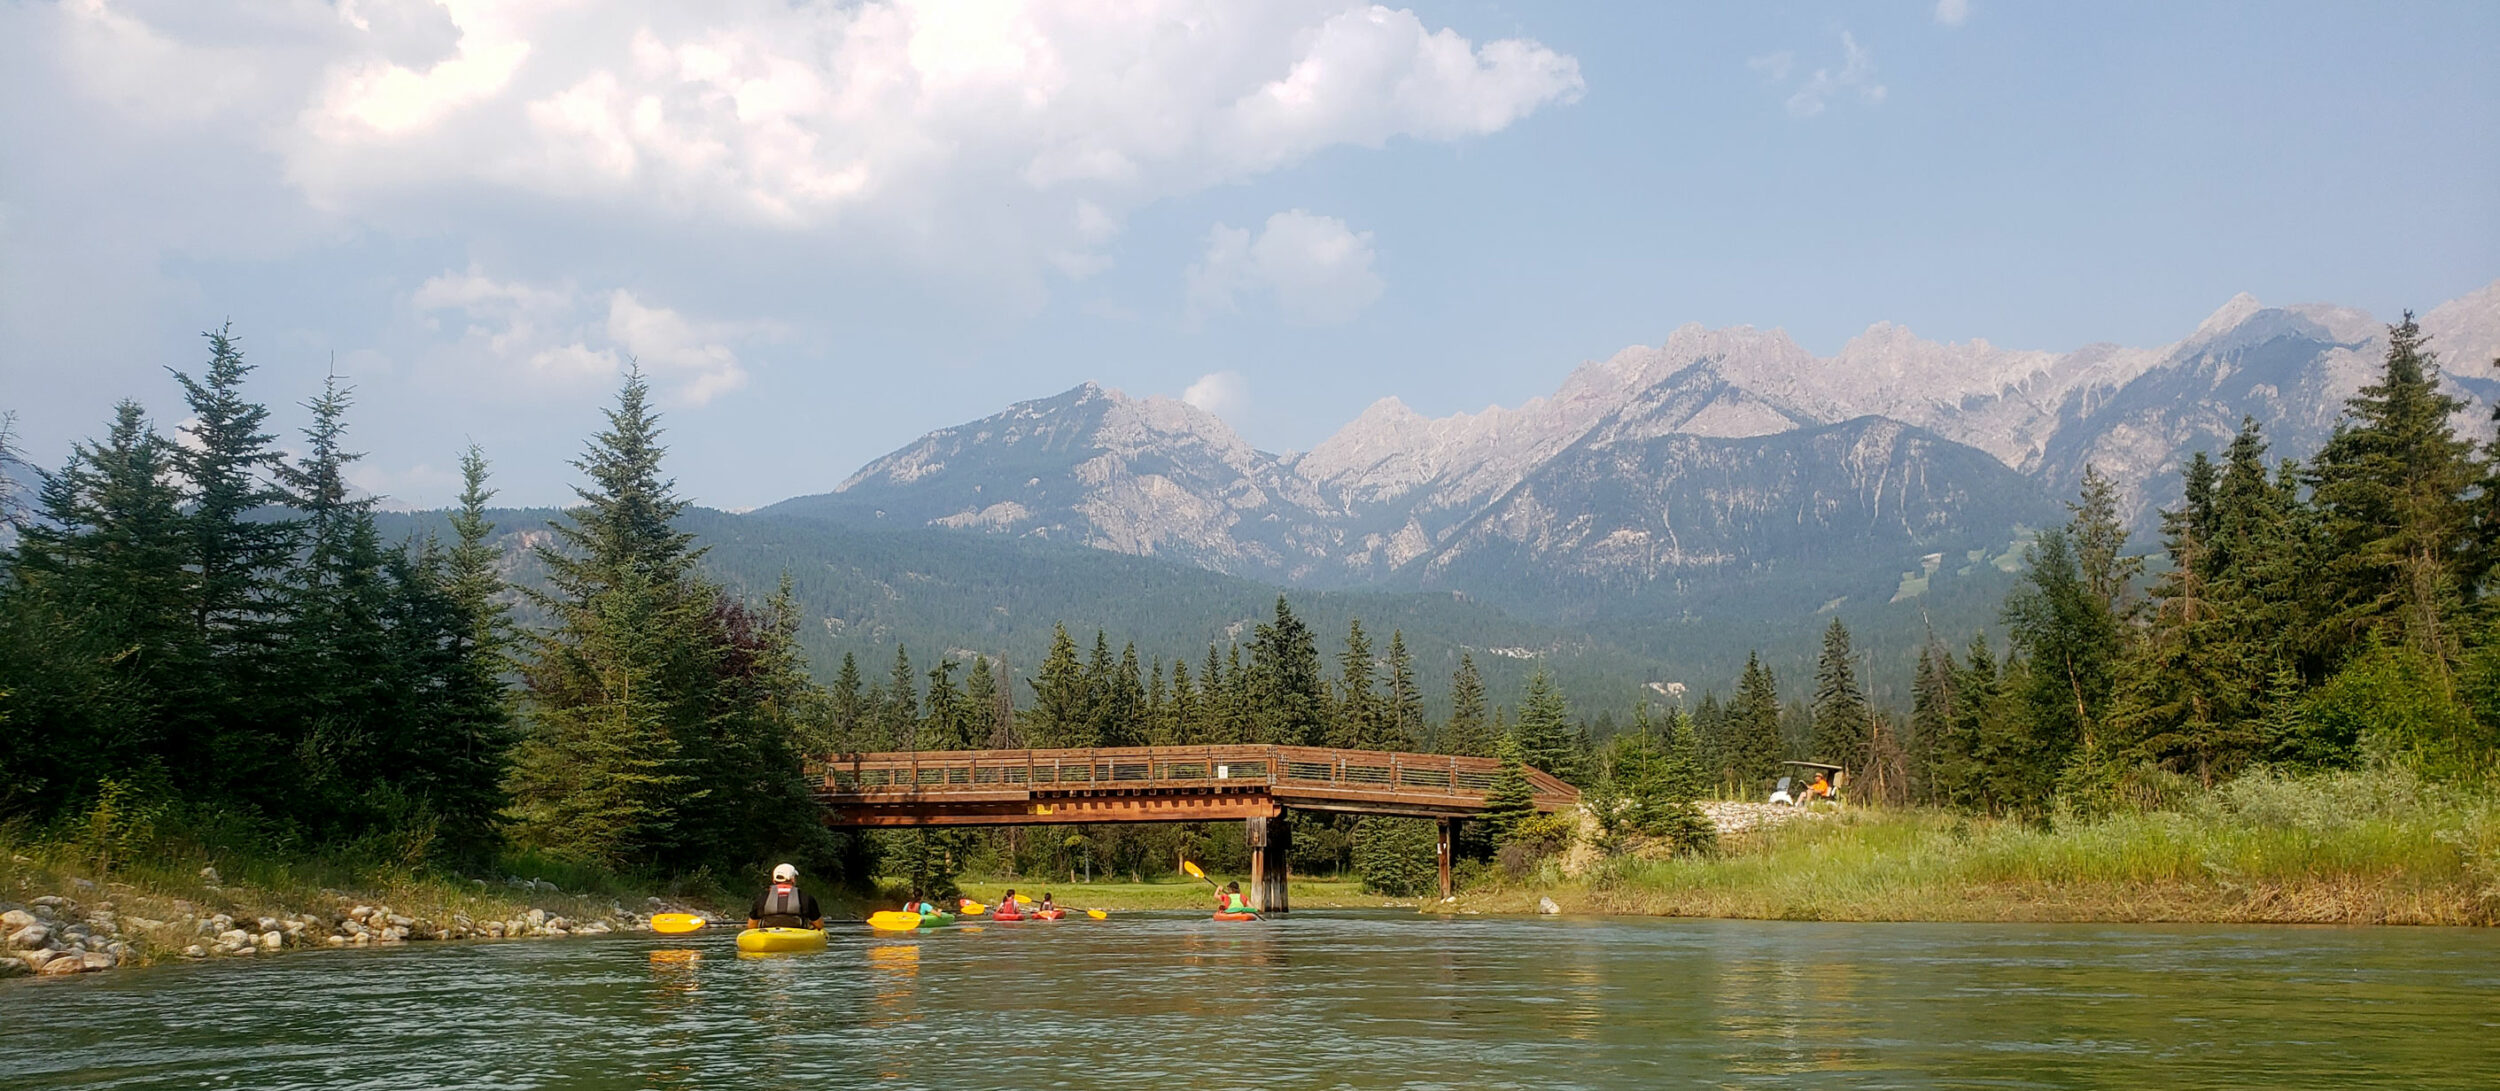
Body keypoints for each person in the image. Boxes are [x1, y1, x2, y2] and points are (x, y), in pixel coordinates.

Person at [747, 863, 823, 930]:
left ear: (774, 881)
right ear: (793, 880)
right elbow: (819, 925)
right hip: (797, 936)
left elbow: (751, 926)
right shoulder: (805, 897)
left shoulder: (762, 898)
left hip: (769, 936)